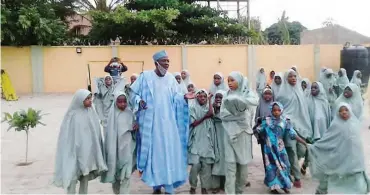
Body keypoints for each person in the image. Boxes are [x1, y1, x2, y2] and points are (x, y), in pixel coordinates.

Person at [130, 50, 194, 194]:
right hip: (152, 125)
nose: (167, 63)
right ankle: (156, 185)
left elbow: (176, 97)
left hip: (169, 125)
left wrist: (183, 96)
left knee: (169, 154)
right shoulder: (145, 77)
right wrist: (139, 101)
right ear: (156, 63)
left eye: (168, 61)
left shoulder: (171, 78)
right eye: (164, 61)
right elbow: (133, 94)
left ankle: (169, 187)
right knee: (155, 154)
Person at [307, 103, 370, 194]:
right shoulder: (335, 126)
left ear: (350, 111)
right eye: (340, 111)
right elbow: (327, 141)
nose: (343, 112)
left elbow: (357, 145)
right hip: (339, 160)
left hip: (355, 162)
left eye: (346, 110)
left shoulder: (355, 124)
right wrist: (315, 147)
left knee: (358, 184)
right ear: (337, 113)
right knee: (333, 177)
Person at [53, 89, 107, 194]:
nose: (90, 101)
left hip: (86, 153)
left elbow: (96, 134)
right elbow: (66, 136)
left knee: (84, 176)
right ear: (79, 100)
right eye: (87, 99)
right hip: (73, 153)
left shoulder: (91, 113)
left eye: (90, 98)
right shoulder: (72, 115)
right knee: (72, 176)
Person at [255, 102, 307, 194]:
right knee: (271, 167)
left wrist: (303, 142)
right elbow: (258, 130)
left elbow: (292, 133)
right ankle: (274, 187)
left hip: (280, 147)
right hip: (269, 148)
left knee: (285, 165)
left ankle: (284, 185)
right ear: (271, 110)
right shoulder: (266, 120)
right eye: (274, 110)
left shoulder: (285, 121)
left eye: (279, 110)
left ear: (282, 110)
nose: (276, 112)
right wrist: (260, 132)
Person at [220, 71, 259, 194]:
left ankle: (239, 191)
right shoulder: (226, 95)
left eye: (233, 80)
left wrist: (238, 107)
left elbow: (250, 111)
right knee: (230, 168)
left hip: (243, 136)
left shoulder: (247, 94)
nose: (230, 83)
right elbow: (223, 115)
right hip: (229, 135)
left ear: (239, 81)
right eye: (229, 81)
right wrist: (239, 116)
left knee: (243, 171)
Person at [275, 69, 312, 188]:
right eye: (290, 76)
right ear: (286, 78)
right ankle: (297, 177)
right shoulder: (282, 94)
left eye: (295, 76)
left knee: (301, 150)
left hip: (300, 125)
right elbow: (280, 110)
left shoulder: (300, 91)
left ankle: (292, 168)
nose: (293, 78)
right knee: (291, 150)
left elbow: (303, 110)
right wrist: (286, 120)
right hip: (288, 125)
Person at [101, 92, 138, 194]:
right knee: (116, 175)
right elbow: (109, 135)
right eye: (120, 102)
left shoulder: (130, 113)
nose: (122, 104)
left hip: (127, 150)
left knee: (126, 175)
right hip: (116, 150)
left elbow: (134, 129)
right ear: (115, 102)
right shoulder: (112, 116)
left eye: (124, 102)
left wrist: (135, 129)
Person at [188, 89, 218, 194]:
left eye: (205, 97)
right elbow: (193, 123)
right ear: (196, 97)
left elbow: (211, 113)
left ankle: (204, 187)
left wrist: (210, 101)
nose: (203, 98)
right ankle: (193, 186)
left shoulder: (208, 108)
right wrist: (205, 117)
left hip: (207, 141)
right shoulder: (192, 108)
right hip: (196, 140)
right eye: (200, 96)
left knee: (206, 167)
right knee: (195, 166)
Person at [301, 81, 331, 175]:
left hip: (322, 130)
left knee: (320, 150)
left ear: (320, 89)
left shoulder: (324, 102)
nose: (313, 89)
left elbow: (328, 116)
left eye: (316, 87)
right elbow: (305, 115)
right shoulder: (307, 100)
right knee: (310, 149)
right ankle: (306, 164)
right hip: (311, 129)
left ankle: (317, 168)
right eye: (312, 87)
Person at [211, 90, 226, 193]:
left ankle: (225, 184)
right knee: (216, 158)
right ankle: (216, 185)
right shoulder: (212, 109)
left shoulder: (227, 110)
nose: (218, 99)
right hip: (215, 135)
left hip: (225, 136)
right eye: (217, 97)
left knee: (225, 159)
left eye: (220, 98)